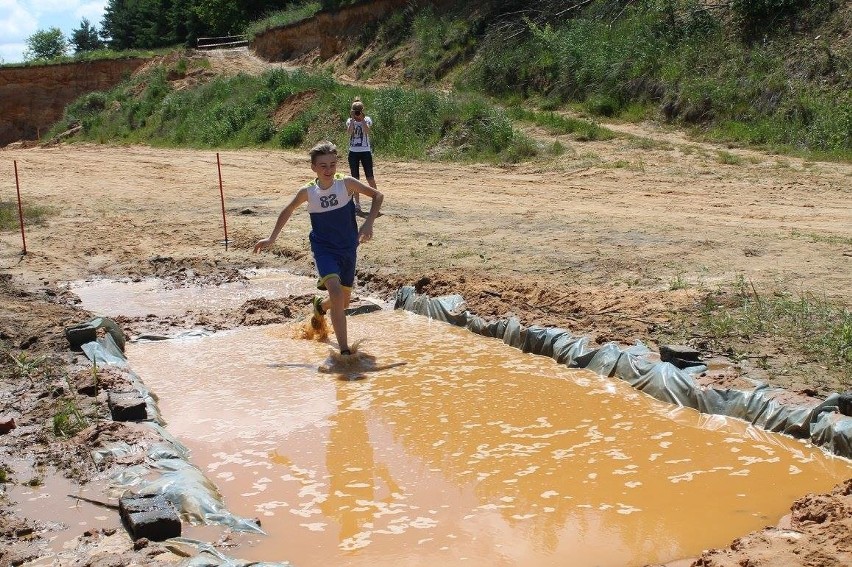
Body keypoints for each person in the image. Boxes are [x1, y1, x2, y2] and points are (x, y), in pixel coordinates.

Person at [253, 140, 384, 356]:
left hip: (348, 248)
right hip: (324, 249)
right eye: (323, 165)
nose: (328, 170)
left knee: (342, 301)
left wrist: (368, 223)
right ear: (313, 167)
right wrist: (271, 238)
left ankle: (320, 307)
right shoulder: (308, 191)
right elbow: (287, 210)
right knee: (336, 292)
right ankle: (344, 351)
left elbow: (378, 196)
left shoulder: (346, 183)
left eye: (332, 164)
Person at [345, 97, 378, 217]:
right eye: (355, 111)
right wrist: (353, 119)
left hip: (365, 151)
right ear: (352, 111)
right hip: (353, 152)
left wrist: (362, 119)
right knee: (355, 179)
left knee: (370, 177)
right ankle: (357, 204)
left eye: (359, 111)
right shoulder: (350, 120)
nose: (357, 113)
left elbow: (367, 131)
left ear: (363, 111)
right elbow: (349, 132)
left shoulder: (367, 119)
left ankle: (376, 200)